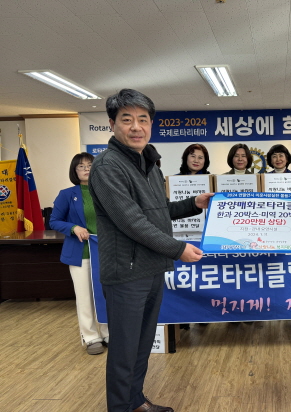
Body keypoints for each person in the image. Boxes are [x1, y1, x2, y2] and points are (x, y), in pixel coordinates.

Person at [88, 89, 213, 412]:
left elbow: (158, 211)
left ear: (151, 124)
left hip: (152, 267)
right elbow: (132, 222)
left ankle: (135, 401)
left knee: (142, 344)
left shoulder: (149, 163)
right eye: (126, 119)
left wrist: (194, 204)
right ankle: (120, 407)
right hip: (126, 274)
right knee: (124, 349)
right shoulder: (107, 166)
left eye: (143, 119)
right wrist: (177, 248)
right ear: (112, 124)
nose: (136, 127)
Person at [50, 152, 109, 356]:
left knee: (105, 295)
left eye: (90, 165)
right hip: (80, 253)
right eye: (81, 166)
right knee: (85, 297)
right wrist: (73, 227)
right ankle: (91, 337)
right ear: (74, 171)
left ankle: (108, 332)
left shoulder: (106, 191)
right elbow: (54, 221)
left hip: (105, 252)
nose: (86, 169)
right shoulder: (67, 194)